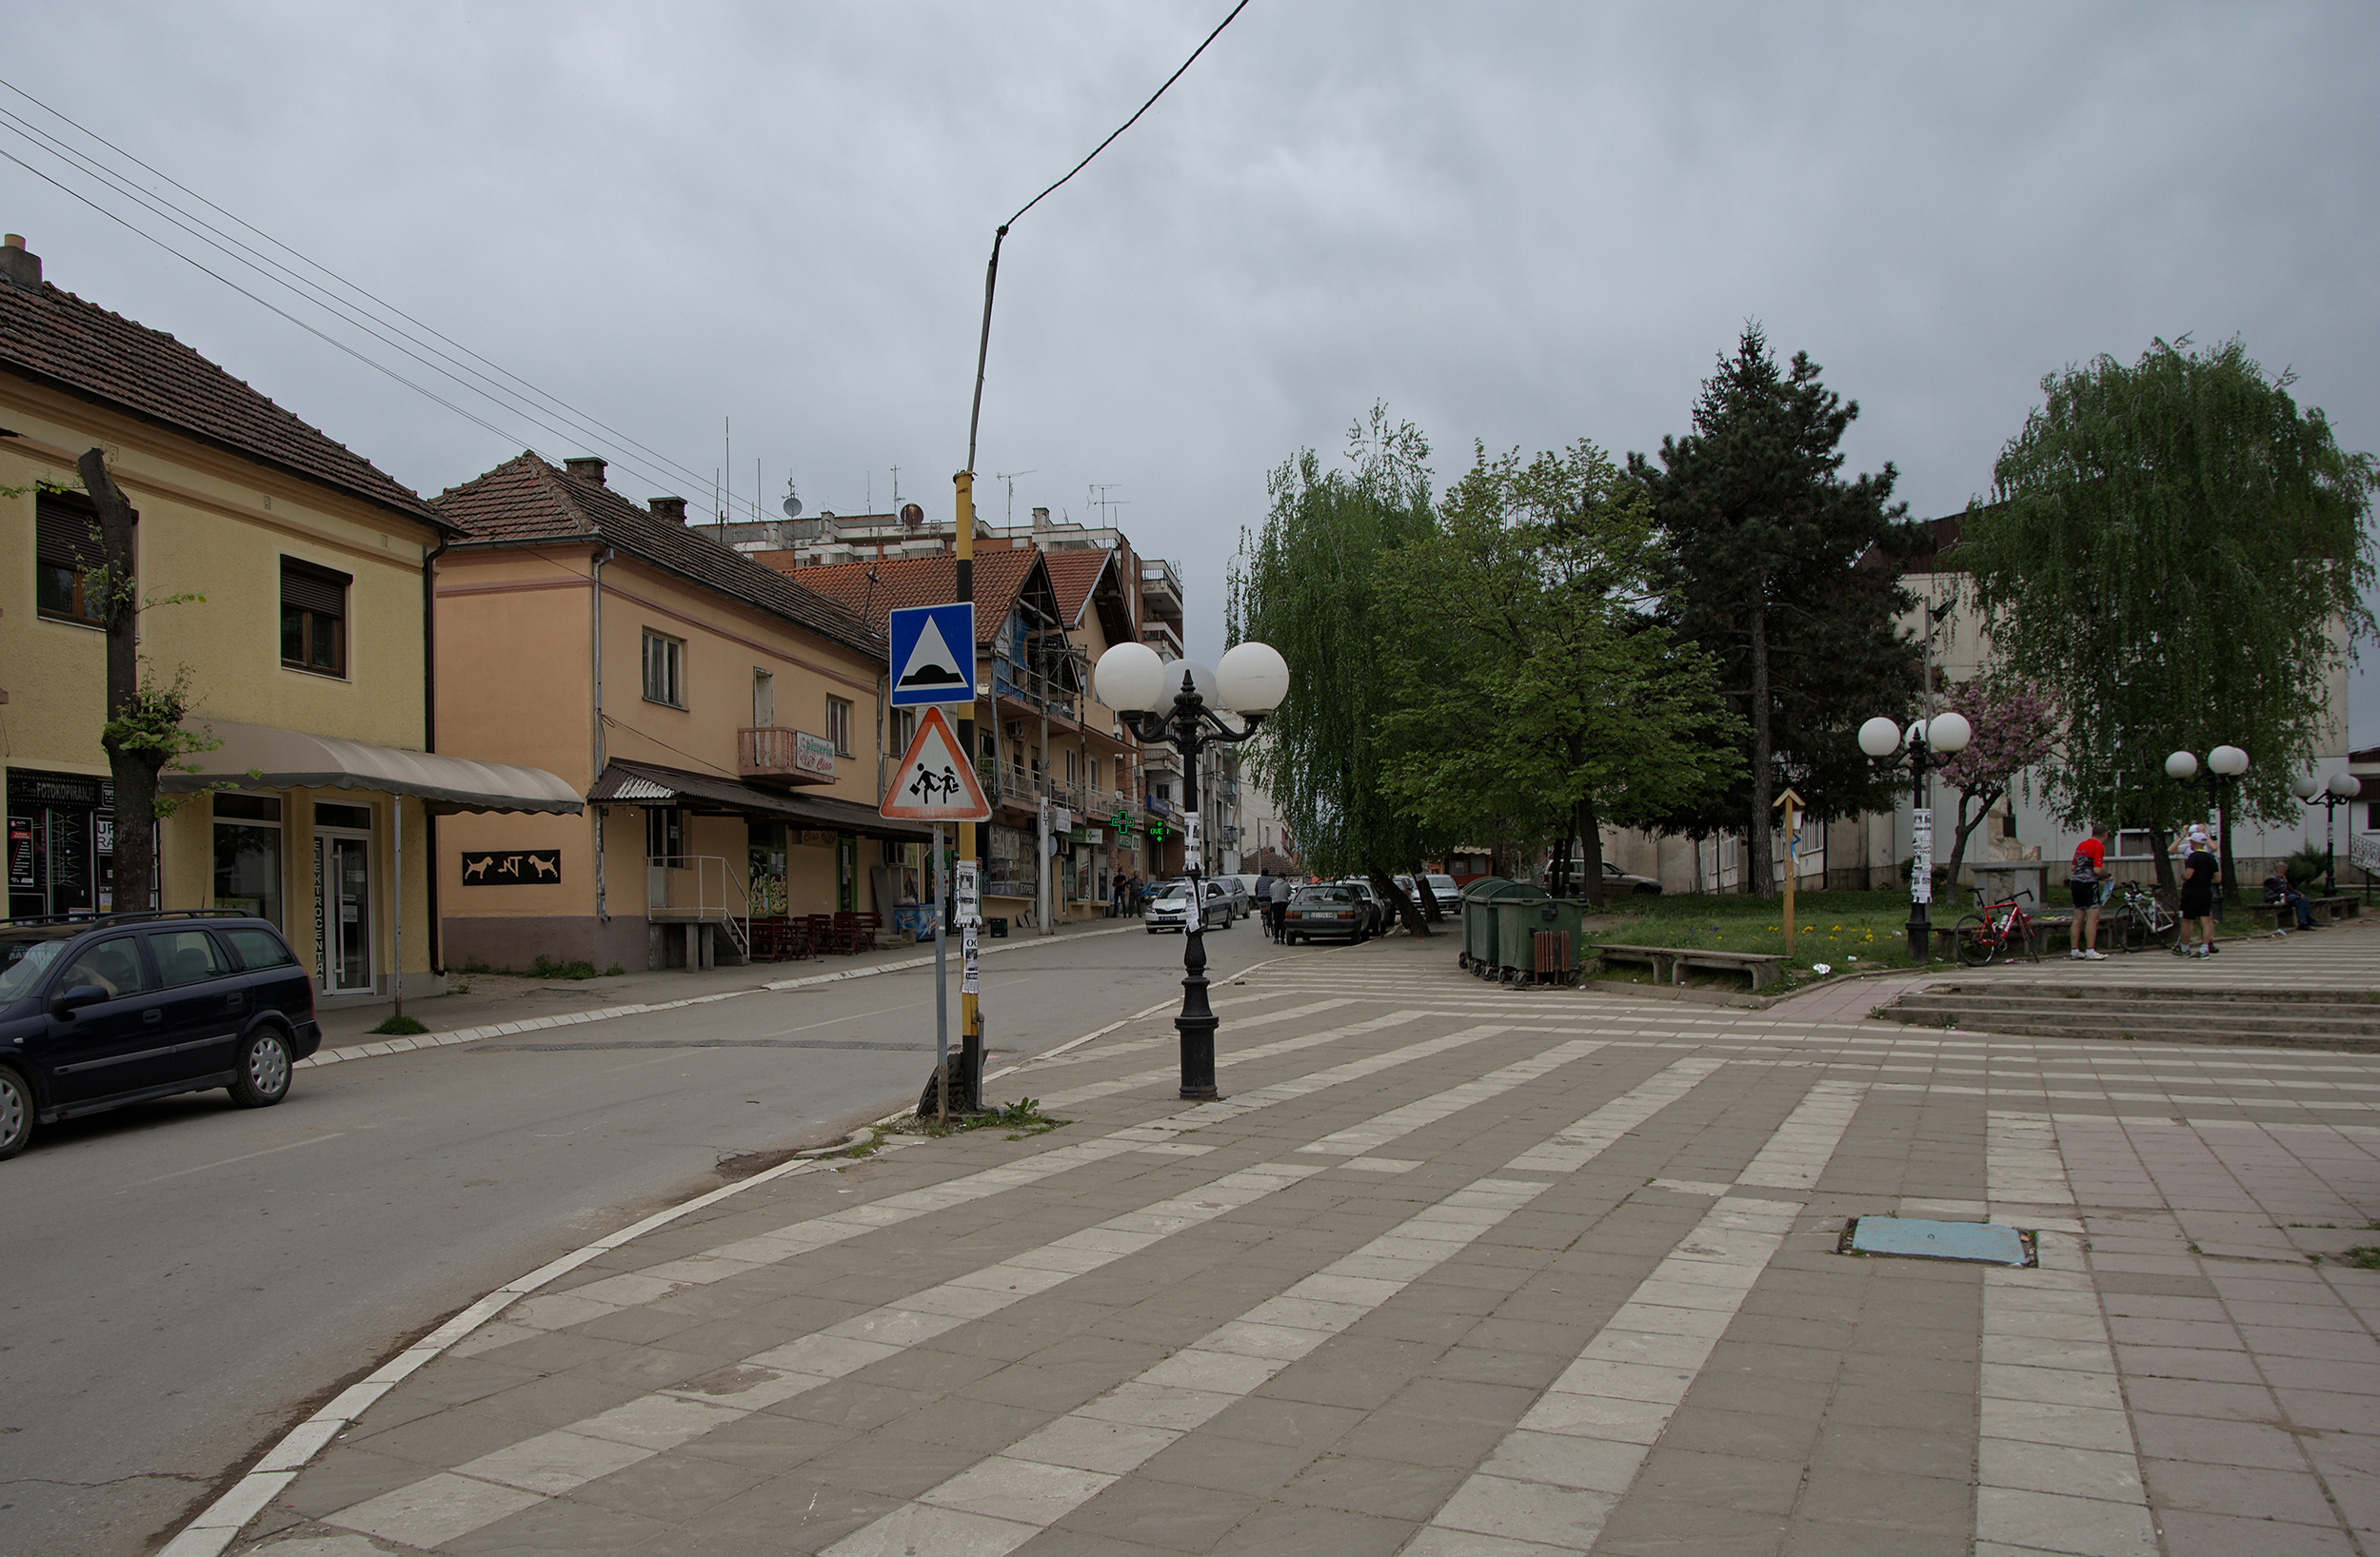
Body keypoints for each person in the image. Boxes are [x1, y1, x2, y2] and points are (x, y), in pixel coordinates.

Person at [2067, 821, 2112, 960]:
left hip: (2076, 883)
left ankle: (2074, 950)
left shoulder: (2082, 845)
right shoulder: (2098, 846)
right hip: (2089, 884)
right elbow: (2098, 869)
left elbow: (2073, 867)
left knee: (2078, 918)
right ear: (2105, 834)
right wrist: (2107, 876)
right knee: (2092, 919)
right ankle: (2090, 951)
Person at [2175, 824, 2220, 956]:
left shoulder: (2193, 857)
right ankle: (2204, 948)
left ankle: (2184, 948)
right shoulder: (2211, 858)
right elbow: (2217, 878)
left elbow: (2188, 874)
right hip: (2206, 892)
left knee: (2186, 920)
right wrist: (2205, 880)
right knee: (2205, 920)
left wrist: (2183, 876)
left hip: (2191, 892)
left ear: (2193, 842)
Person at [2264, 865, 2316, 934]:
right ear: (2276, 870)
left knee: (2300, 899)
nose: (2282, 871)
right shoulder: (2271, 879)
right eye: (2280, 869)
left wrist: (2299, 893)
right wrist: (2296, 895)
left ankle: (2305, 921)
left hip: (2283, 896)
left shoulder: (2283, 879)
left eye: (2283, 870)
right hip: (2274, 898)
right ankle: (2305, 920)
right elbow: (2280, 890)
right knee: (2296, 897)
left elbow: (2290, 889)